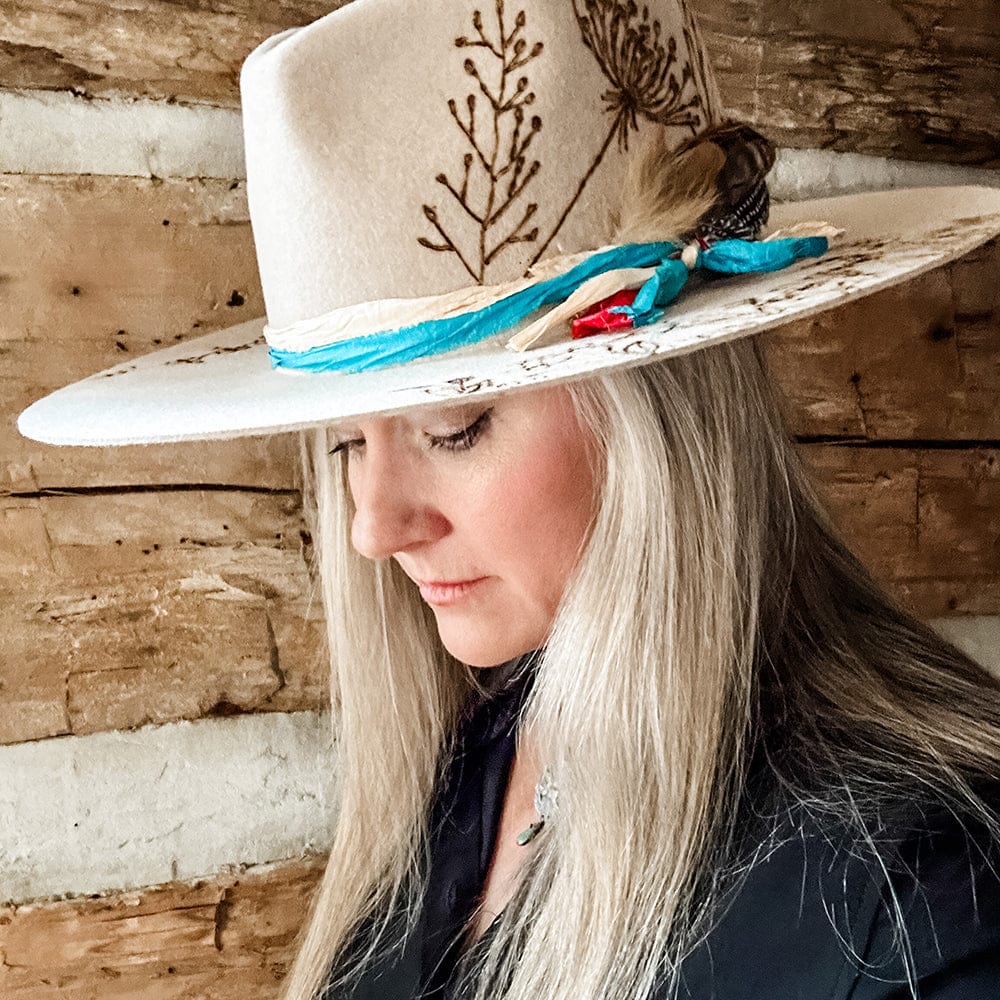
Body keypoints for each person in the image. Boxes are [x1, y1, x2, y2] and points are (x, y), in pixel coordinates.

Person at [16, 2, 1000, 999]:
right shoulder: (472, 758)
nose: (372, 526)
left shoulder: (924, 893)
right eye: (347, 441)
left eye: (457, 426)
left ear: (663, 408)